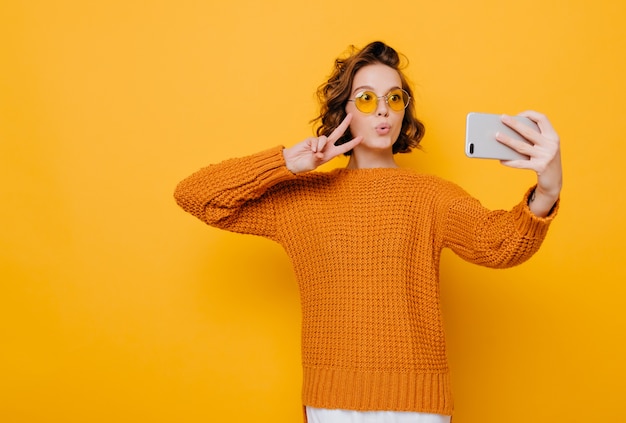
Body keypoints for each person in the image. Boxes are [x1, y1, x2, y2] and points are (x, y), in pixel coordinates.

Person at [174, 41, 561, 423]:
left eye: (394, 99)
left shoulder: (431, 196)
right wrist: (287, 162)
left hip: (417, 407)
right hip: (332, 403)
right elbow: (197, 196)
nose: (382, 111)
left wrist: (547, 190)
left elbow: (499, 245)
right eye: (365, 99)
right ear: (344, 111)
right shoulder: (302, 199)